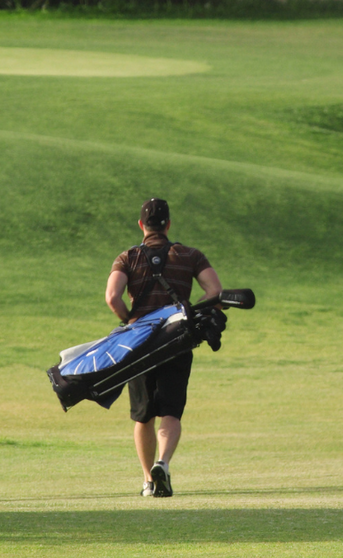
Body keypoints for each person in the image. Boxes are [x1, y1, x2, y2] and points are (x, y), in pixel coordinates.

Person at [105, 198, 222, 498]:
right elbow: (215, 291)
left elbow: (112, 297)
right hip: (176, 341)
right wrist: (193, 316)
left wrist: (127, 319)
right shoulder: (190, 256)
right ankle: (163, 463)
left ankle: (147, 480)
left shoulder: (127, 258)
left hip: (139, 343)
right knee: (171, 410)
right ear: (168, 224)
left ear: (142, 225)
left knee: (143, 415)